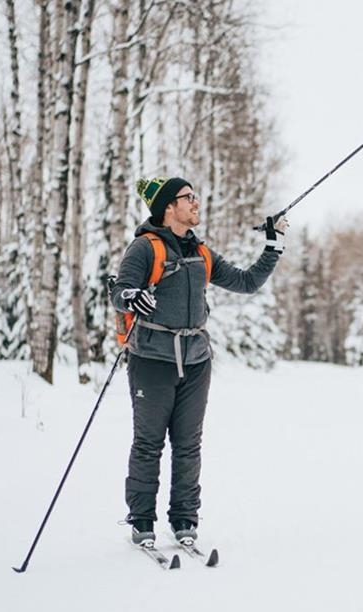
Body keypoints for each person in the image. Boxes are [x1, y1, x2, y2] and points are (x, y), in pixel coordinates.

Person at [111, 176, 288, 547]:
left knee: (189, 444)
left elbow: (246, 282)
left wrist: (273, 245)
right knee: (148, 443)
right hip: (152, 360)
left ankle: (185, 519)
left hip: (196, 361)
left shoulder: (201, 253)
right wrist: (131, 296)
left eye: (195, 195)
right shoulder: (145, 248)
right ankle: (142, 519)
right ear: (168, 207)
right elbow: (120, 290)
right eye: (187, 197)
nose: (196, 202)